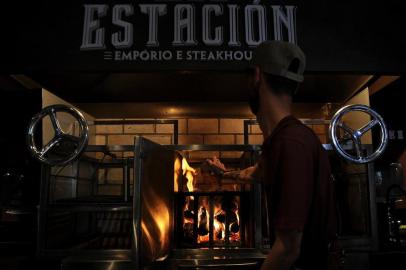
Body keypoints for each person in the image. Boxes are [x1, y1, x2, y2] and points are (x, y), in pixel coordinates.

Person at [207, 41, 337, 270]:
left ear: (256, 76)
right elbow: (256, 173)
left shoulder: (290, 144)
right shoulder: (283, 140)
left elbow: (288, 249)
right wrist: (224, 174)